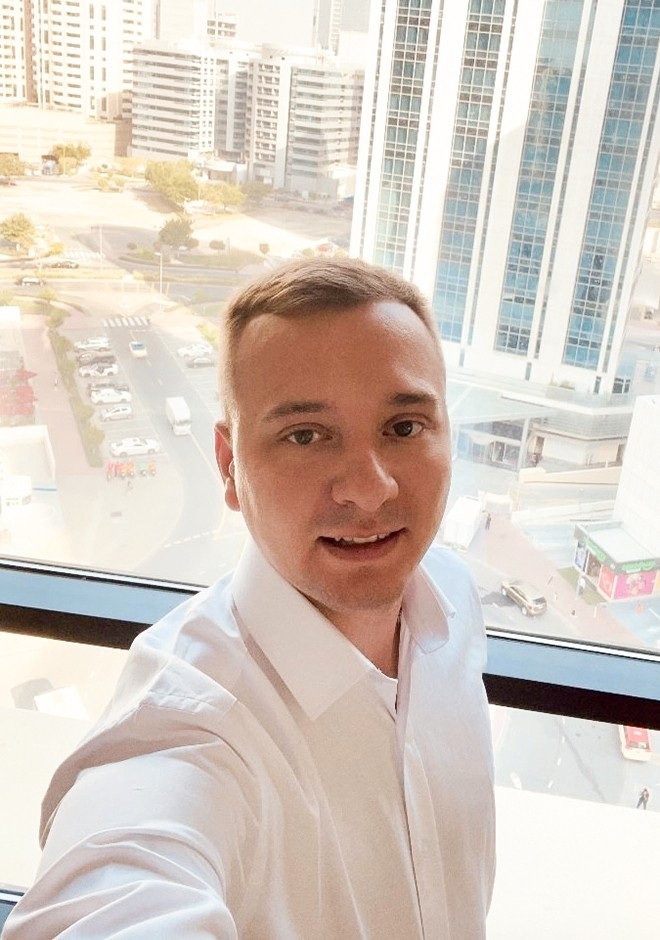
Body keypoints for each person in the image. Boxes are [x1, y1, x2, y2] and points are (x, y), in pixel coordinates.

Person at [4, 258, 495, 938]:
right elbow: (119, 882)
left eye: (404, 427)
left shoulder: (452, 599)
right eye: (305, 436)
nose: (368, 488)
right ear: (229, 466)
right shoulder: (189, 727)